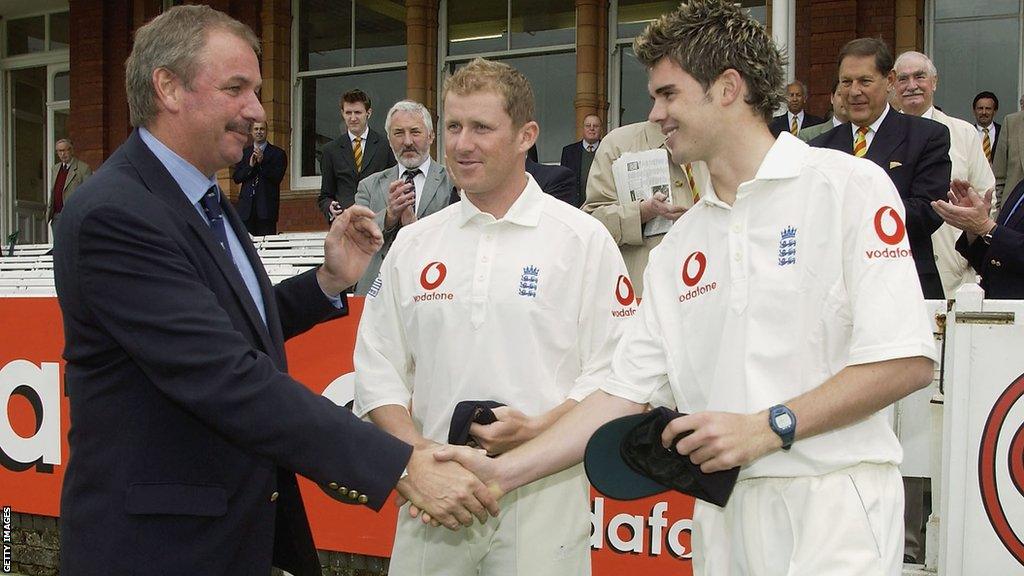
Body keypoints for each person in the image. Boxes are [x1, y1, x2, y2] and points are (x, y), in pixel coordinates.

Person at [434, 2, 937, 575]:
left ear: (727, 87)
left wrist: (768, 426)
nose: (656, 114)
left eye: (668, 94)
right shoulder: (680, 245)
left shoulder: (848, 186)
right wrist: (505, 473)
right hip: (721, 516)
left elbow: (905, 360)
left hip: (834, 502)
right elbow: (621, 393)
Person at [51, 7, 497, 576]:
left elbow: (228, 326)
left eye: (257, 91)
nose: (257, 111)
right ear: (168, 87)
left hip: (234, 532)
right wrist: (403, 466)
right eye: (236, 89)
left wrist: (327, 281)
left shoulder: (204, 199)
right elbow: (224, 373)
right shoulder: (116, 214)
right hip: (159, 547)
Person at [353, 57, 631, 576]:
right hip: (432, 499)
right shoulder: (414, 244)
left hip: (543, 499)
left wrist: (539, 427)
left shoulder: (581, 238)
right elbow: (377, 369)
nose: (462, 144)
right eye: (454, 126)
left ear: (526, 134)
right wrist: (415, 459)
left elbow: (616, 371)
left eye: (481, 127)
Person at [810, 37, 952, 300]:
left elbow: (927, 211)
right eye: (846, 82)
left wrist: (849, 212)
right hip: (837, 293)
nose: (854, 92)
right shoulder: (818, 148)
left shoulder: (926, 136)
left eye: (864, 81)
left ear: (889, 81)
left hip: (904, 286)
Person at [895, 51, 994, 299]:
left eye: (920, 77)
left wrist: (972, 250)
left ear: (934, 82)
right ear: (892, 85)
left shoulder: (963, 133)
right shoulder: (880, 137)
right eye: (903, 79)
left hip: (955, 272)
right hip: (898, 267)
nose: (912, 86)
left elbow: (986, 198)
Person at [582, 120, 703, 297]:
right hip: (644, 296)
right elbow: (592, 223)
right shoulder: (618, 144)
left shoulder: (722, 143)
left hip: (707, 292)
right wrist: (640, 213)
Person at [352, 100, 452, 295]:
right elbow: (358, 237)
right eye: (399, 133)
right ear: (389, 140)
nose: (407, 141)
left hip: (434, 290)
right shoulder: (369, 185)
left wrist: (414, 227)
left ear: (431, 136)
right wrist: (390, 216)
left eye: (415, 132)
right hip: (377, 294)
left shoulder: (453, 183)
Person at [934, 179, 1024, 299]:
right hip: (999, 307)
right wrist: (975, 231)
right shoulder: (1020, 187)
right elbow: (998, 261)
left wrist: (987, 228)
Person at [317, 88, 396, 221]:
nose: (353, 118)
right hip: (346, 224)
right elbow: (325, 195)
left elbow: (394, 184)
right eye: (348, 113)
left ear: (368, 113)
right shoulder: (330, 150)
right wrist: (330, 206)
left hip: (379, 222)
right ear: (342, 113)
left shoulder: (386, 145)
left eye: (358, 112)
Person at [232, 120, 286, 236]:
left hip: (266, 210)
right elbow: (237, 178)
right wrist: (250, 166)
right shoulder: (244, 153)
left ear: (266, 132)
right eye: (256, 129)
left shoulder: (278, 153)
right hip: (246, 210)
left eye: (262, 129)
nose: (259, 132)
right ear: (251, 132)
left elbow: (276, 178)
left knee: (267, 247)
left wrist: (262, 163)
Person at [48, 138, 92, 231]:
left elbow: (89, 193)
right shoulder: (55, 169)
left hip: (73, 215)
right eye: (59, 151)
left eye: (65, 150)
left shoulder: (83, 168)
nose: (62, 154)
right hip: (56, 216)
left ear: (71, 150)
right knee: (58, 244)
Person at [560, 113, 604, 206]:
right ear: (583, 129)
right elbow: (563, 181)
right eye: (588, 126)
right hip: (575, 207)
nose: (591, 128)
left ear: (601, 129)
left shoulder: (607, 150)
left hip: (601, 206)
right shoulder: (569, 152)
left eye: (595, 126)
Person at [973, 91, 1000, 164]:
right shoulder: (968, 133)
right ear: (974, 111)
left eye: (988, 109)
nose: (984, 112)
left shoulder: (1003, 132)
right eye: (980, 108)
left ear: (995, 111)